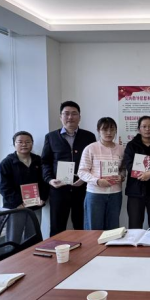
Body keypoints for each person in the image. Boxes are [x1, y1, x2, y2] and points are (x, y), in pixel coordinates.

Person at [41, 101, 96, 236]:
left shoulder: (89, 137)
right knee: (57, 227)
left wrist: (84, 179)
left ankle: (84, 250)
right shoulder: (51, 137)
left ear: (79, 117)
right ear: (61, 117)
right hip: (59, 189)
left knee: (82, 225)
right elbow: (45, 162)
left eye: (74, 114)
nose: (70, 117)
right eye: (66, 114)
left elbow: (94, 162)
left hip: (82, 189)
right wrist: (49, 180)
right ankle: (56, 249)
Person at [77, 117, 125, 230]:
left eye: (112, 129)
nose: (109, 132)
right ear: (98, 130)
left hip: (115, 194)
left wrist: (122, 176)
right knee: (94, 228)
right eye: (105, 129)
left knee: (113, 229)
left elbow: (123, 169)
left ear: (116, 131)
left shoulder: (121, 149)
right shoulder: (90, 148)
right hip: (95, 193)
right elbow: (82, 171)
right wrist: (97, 181)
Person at [0, 131, 48, 230]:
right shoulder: (6, 163)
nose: (24, 144)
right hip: (16, 207)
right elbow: (3, 186)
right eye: (20, 142)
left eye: (28, 142)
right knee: (15, 235)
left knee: (34, 234)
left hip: (35, 205)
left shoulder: (38, 160)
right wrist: (18, 202)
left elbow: (45, 181)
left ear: (32, 143)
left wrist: (43, 197)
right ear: (14, 144)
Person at [123, 116, 150, 229]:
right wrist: (144, 174)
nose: (147, 129)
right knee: (135, 226)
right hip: (135, 190)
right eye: (144, 126)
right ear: (139, 129)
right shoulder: (131, 145)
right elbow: (129, 165)